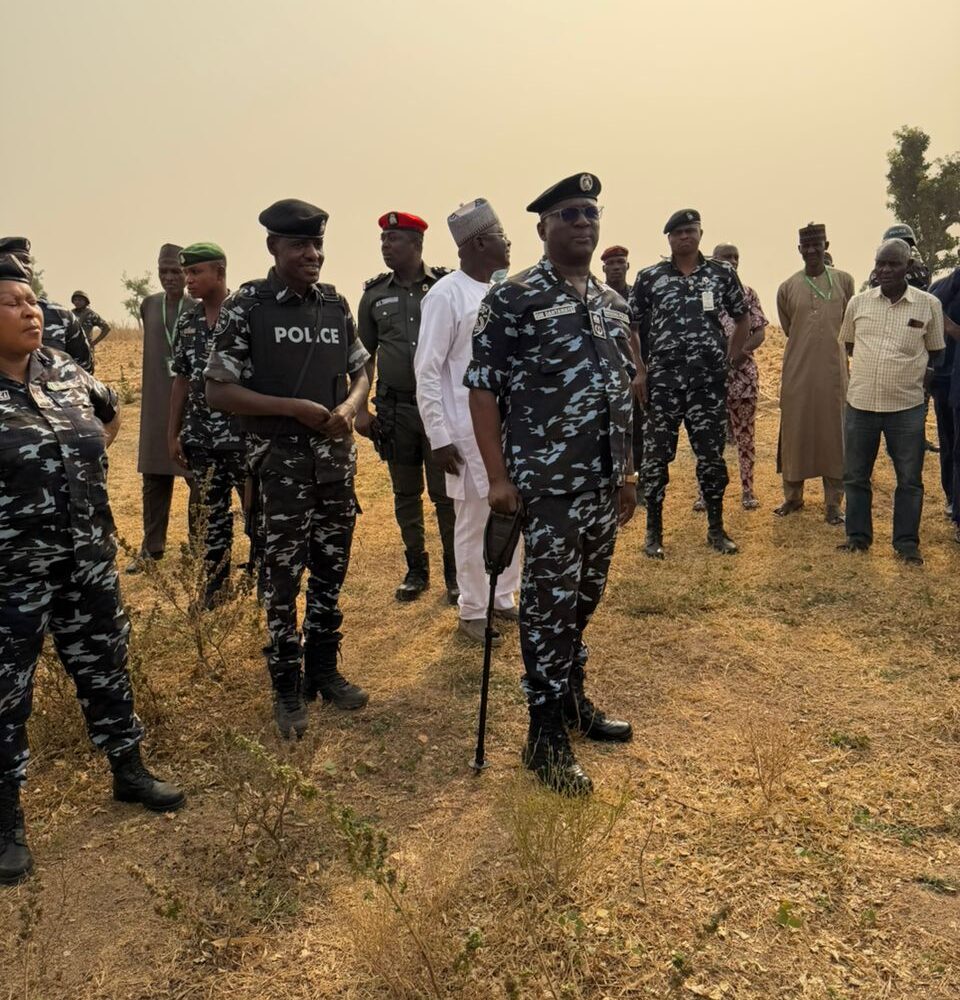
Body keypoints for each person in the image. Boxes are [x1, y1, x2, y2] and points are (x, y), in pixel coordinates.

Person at [0, 254, 184, 887]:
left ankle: (128, 771)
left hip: (86, 559)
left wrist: (79, 452)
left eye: (31, 300)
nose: (30, 311)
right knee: (6, 693)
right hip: (12, 575)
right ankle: (6, 820)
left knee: (106, 665)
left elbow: (107, 413)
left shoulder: (63, 367)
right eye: (13, 304)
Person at [466, 172, 635, 796]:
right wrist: (497, 477)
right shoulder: (513, 299)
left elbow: (622, 389)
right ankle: (543, 735)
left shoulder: (612, 302)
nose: (582, 222)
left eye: (590, 211)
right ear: (542, 227)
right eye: (569, 213)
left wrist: (627, 473)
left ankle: (569, 700)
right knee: (548, 607)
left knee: (584, 599)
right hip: (548, 486)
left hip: (603, 484)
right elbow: (483, 390)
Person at [205, 199, 370, 740]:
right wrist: (291, 408)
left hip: (335, 469)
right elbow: (218, 390)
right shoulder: (247, 306)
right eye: (300, 245)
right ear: (273, 247)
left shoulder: (335, 304)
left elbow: (361, 369)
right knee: (281, 581)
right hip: (280, 471)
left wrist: (351, 407)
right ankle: (286, 684)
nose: (312, 254)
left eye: (317, 244)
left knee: (330, 572)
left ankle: (323, 669)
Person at [414, 199, 521, 645]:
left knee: (511, 512)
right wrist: (438, 436)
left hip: (506, 427)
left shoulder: (499, 292)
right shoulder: (446, 295)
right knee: (474, 520)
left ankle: (504, 597)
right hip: (464, 431)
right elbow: (427, 370)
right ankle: (473, 610)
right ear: (478, 242)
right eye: (500, 236)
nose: (508, 242)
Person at [630, 210, 749, 559]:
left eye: (690, 230)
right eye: (678, 232)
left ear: (700, 233)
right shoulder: (650, 277)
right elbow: (631, 325)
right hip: (663, 383)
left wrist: (731, 359)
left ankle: (716, 529)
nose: (685, 236)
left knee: (711, 457)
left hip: (707, 383)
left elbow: (742, 318)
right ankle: (653, 532)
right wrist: (639, 370)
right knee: (655, 459)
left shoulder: (721, 273)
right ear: (669, 238)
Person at [356, 213, 458, 604]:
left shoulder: (444, 287)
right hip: (395, 410)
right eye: (383, 239)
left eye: (393, 239)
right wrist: (361, 409)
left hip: (439, 409)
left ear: (416, 244)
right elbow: (363, 357)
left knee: (446, 495)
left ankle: (455, 574)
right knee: (406, 493)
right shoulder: (373, 295)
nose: (385, 246)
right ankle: (416, 570)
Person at [838, 239, 944, 565]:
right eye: (880, 263)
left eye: (893, 264)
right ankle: (857, 538)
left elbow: (936, 353)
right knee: (856, 476)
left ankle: (906, 543)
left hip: (906, 408)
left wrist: (914, 383)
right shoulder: (858, 303)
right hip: (861, 405)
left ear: (908, 267)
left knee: (909, 480)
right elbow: (850, 345)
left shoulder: (928, 305)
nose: (884, 270)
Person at [168, 243, 245, 608]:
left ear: (219, 271)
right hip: (201, 437)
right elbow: (181, 380)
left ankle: (264, 580)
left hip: (244, 436)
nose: (188, 280)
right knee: (211, 518)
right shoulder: (187, 322)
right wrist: (173, 433)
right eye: (187, 273)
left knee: (258, 514)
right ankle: (216, 589)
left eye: (196, 272)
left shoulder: (245, 313)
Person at [775, 223, 855, 525]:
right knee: (795, 432)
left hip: (834, 375)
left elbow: (848, 325)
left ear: (826, 246)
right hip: (798, 373)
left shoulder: (845, 281)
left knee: (834, 435)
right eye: (805, 246)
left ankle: (834, 503)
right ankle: (793, 497)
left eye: (816, 245)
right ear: (799, 249)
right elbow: (789, 328)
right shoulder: (787, 287)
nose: (811, 251)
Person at [128, 244, 196, 572]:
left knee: (198, 478)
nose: (169, 277)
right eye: (163, 271)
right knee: (154, 477)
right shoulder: (149, 305)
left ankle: (199, 549)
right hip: (156, 403)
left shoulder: (197, 307)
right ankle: (152, 548)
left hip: (191, 405)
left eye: (175, 271)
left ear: (186, 272)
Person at [712, 243, 767, 509]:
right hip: (710, 380)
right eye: (726, 257)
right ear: (714, 260)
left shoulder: (748, 293)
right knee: (709, 442)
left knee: (745, 438)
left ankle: (747, 491)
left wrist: (738, 355)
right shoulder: (702, 294)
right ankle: (706, 493)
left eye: (736, 257)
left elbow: (759, 332)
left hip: (743, 379)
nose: (732, 261)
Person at [0, 237, 93, 373]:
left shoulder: (60, 315)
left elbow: (84, 370)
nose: (23, 268)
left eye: (26, 262)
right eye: (12, 303)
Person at [601, 245, 646, 500]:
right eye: (612, 263)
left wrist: (641, 371)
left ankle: (637, 481)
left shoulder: (636, 297)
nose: (616, 267)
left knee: (636, 428)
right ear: (604, 268)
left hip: (633, 373)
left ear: (627, 266)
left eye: (621, 262)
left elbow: (638, 335)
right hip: (605, 374)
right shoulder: (597, 295)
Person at [930, 267, 960, 541]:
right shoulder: (941, 287)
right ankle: (951, 497)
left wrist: (951, 328)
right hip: (943, 376)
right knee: (949, 442)